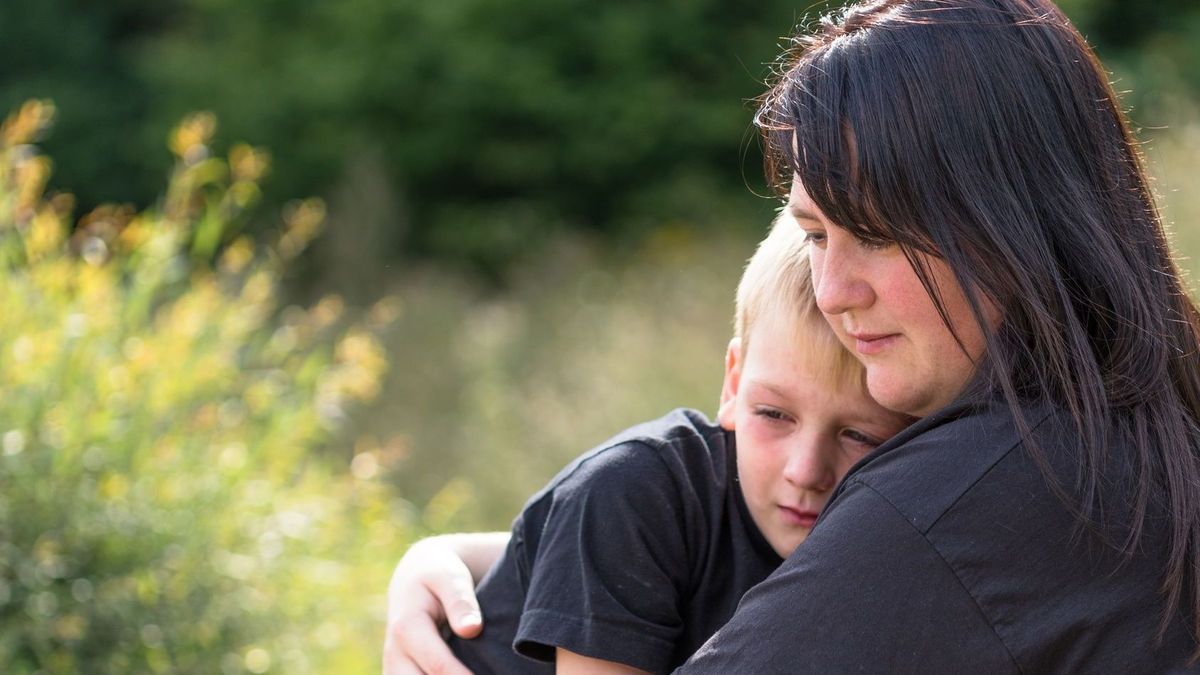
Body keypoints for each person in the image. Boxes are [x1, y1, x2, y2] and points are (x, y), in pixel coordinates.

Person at [390, 0, 1200, 671]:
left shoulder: (949, 506)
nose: (835, 293)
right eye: (815, 236)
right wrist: (485, 562)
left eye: (878, 233)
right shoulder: (1149, 436)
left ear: (1014, 220)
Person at [385, 219, 913, 674]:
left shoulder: (890, 533)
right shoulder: (632, 492)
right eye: (773, 414)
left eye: (859, 435)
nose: (805, 470)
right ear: (732, 385)